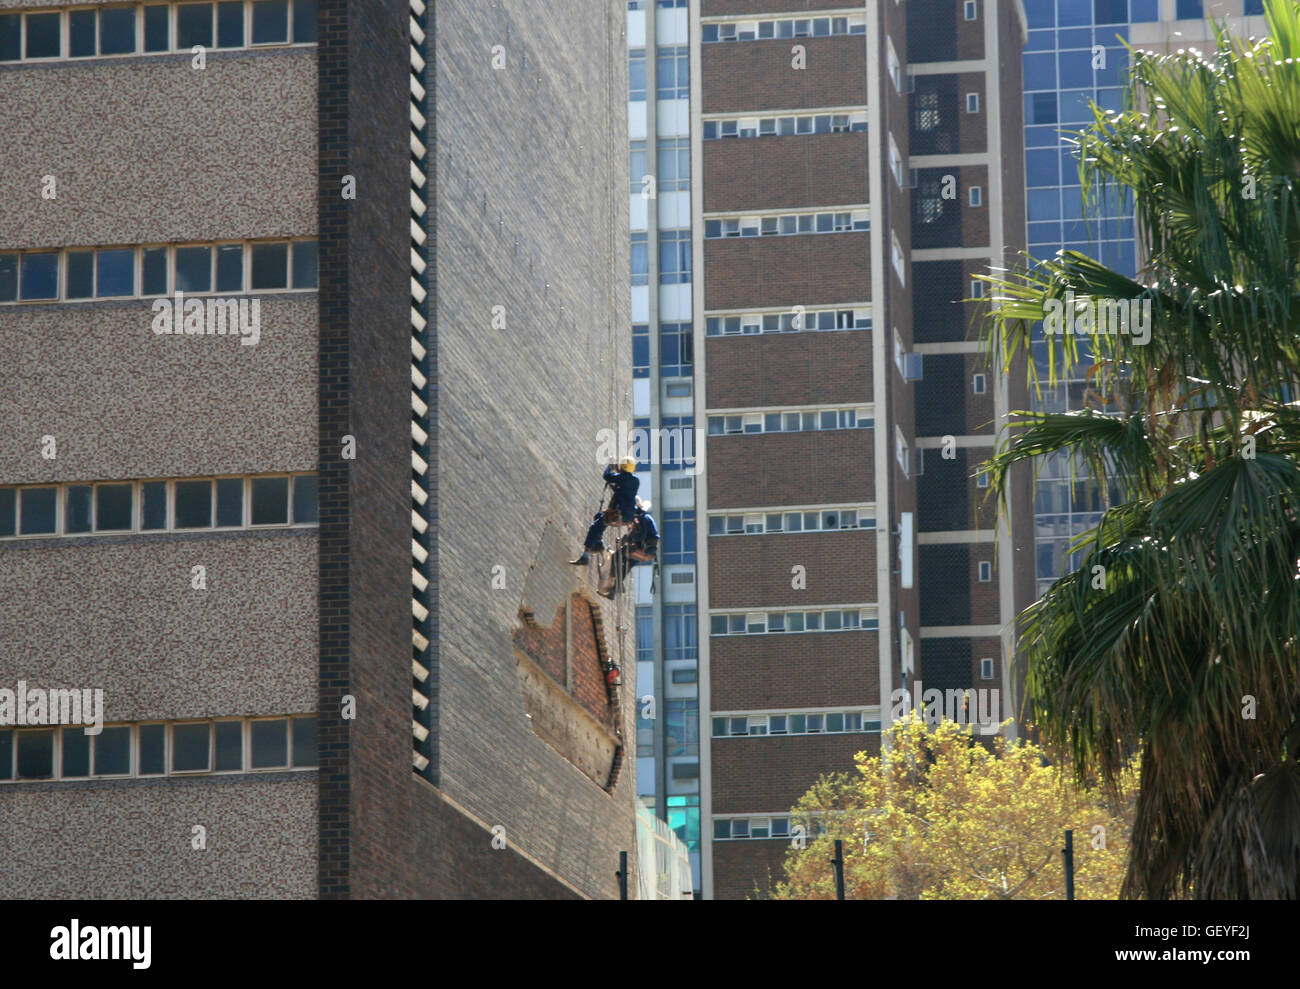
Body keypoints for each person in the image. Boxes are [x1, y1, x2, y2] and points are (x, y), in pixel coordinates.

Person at [570, 457, 639, 565]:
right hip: (628, 516)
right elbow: (622, 484)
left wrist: (610, 466)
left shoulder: (622, 478)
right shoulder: (635, 481)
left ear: (622, 467)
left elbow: (606, 476)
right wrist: (618, 470)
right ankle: (598, 543)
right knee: (599, 516)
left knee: (595, 526)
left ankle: (585, 556)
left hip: (618, 514)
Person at [599, 497, 659, 598]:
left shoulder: (642, 518)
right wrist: (626, 540)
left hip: (643, 550)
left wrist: (626, 540)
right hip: (646, 552)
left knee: (616, 557)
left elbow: (640, 536)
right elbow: (638, 535)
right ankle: (614, 590)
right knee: (626, 565)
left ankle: (615, 579)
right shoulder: (642, 518)